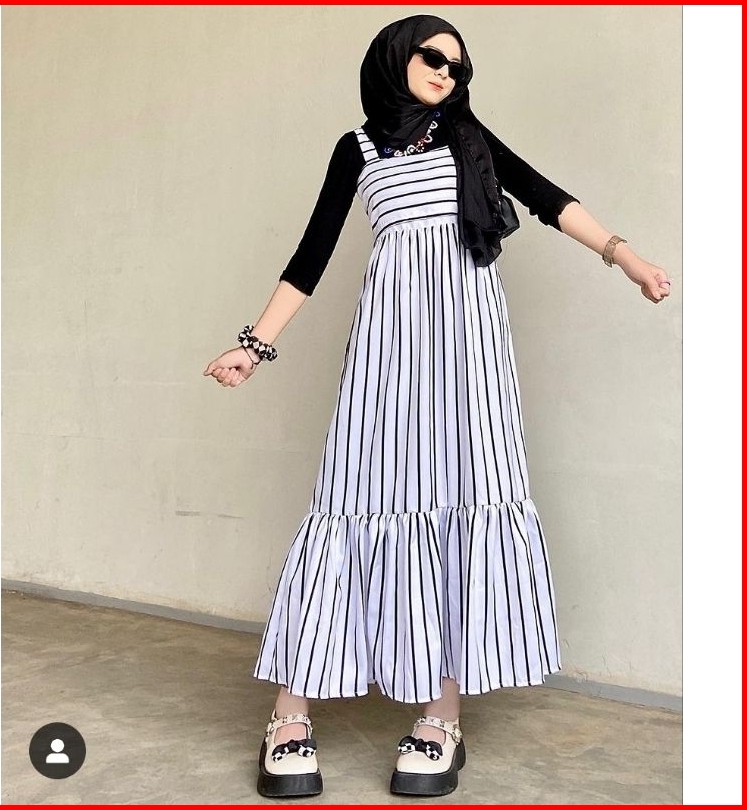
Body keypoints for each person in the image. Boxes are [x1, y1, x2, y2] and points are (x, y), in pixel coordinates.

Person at [203, 14, 672, 800]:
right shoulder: (357, 150)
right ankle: (289, 712)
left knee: (463, 501)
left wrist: (626, 258)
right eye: (432, 57)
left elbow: (547, 197)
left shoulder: (468, 140)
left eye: (459, 65)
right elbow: (311, 254)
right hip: (388, 349)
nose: (447, 72)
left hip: (470, 353)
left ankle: (440, 717)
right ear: (395, 59)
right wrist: (254, 345)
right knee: (352, 499)